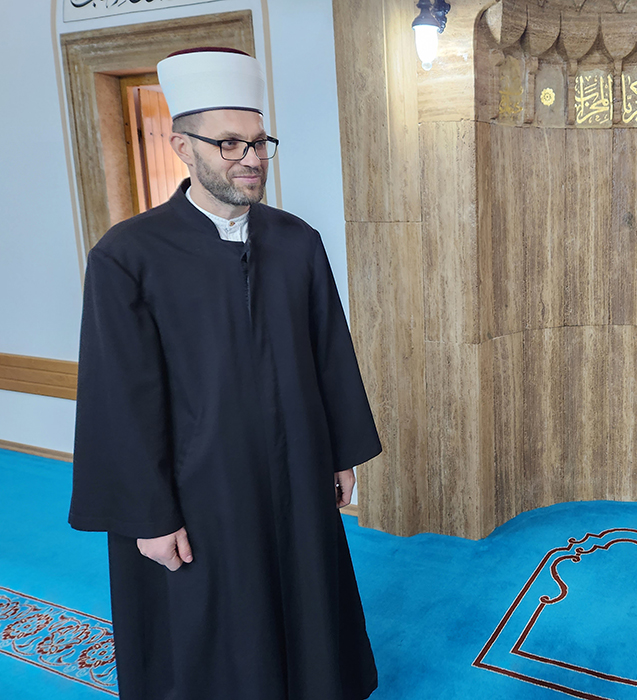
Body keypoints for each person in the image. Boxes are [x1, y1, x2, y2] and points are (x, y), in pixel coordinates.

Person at [69, 48, 382, 700]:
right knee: (214, 630)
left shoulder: (297, 242)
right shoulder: (128, 256)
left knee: (306, 600)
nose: (252, 157)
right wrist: (147, 517)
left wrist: (339, 455)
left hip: (296, 468)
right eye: (229, 143)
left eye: (259, 140)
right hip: (199, 490)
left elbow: (329, 353)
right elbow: (119, 401)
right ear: (181, 146)